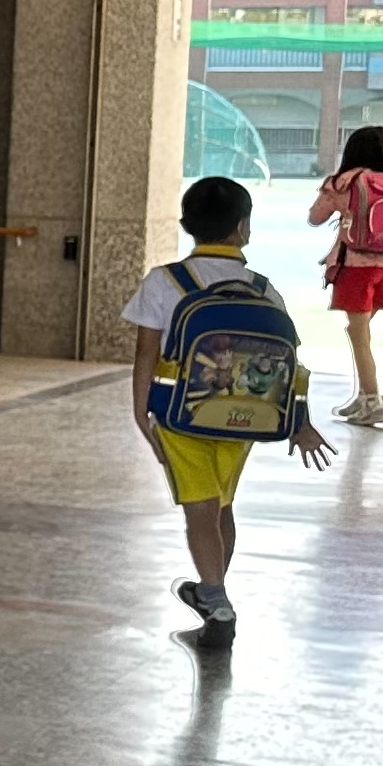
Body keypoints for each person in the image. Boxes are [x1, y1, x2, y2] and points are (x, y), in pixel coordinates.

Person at [126, 174, 334, 634]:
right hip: (246, 417)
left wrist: (142, 412)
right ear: (243, 227)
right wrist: (299, 422)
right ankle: (214, 588)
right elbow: (289, 362)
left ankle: (216, 600)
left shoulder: (165, 281)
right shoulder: (262, 288)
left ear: (187, 225)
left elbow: (145, 353)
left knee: (199, 507)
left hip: (182, 416)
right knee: (222, 505)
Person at [314, 123, 383, 424]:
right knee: (359, 330)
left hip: (358, 265)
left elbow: (316, 217)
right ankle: (364, 394)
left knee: (358, 333)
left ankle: (371, 400)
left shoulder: (346, 181)